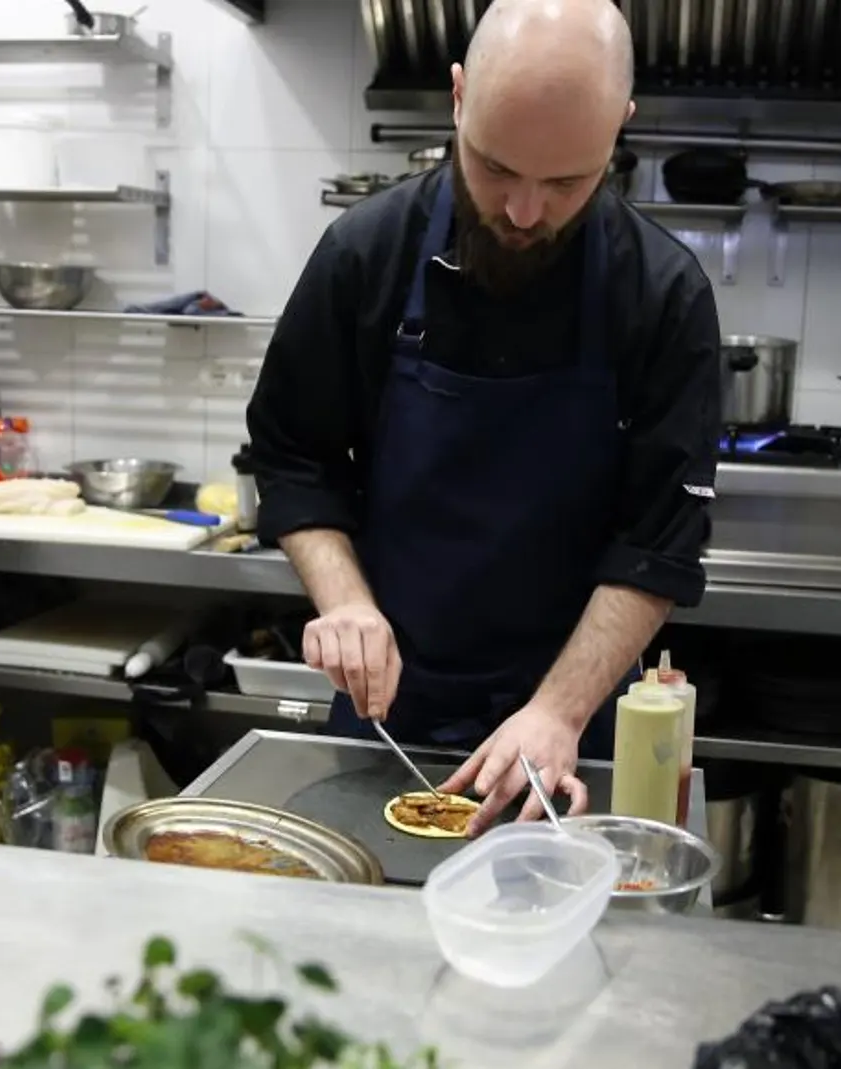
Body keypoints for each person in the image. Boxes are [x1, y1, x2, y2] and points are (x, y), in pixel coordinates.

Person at [244, 0, 721, 836]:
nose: (527, 211)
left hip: (569, 724)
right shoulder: (365, 255)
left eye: (569, 181)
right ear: (457, 97)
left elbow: (658, 542)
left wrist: (559, 711)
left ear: (621, 128)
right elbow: (293, 455)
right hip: (387, 708)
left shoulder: (662, 296)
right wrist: (345, 601)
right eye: (496, 168)